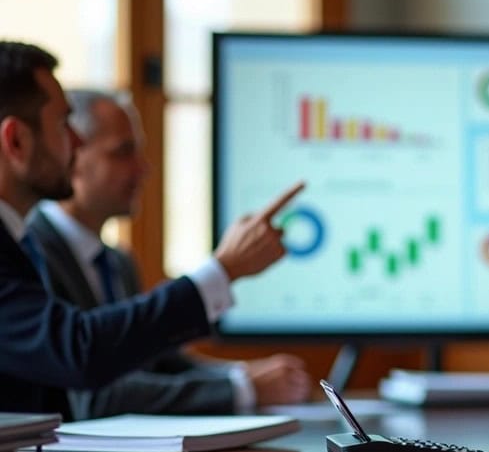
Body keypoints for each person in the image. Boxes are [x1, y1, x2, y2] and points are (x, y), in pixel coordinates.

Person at [0, 40, 303, 413]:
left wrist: (238, 376)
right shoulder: (31, 249)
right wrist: (222, 270)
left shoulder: (43, 246)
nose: (75, 141)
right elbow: (79, 359)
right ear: (15, 140)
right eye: (64, 124)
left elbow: (146, 361)